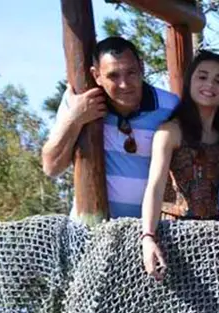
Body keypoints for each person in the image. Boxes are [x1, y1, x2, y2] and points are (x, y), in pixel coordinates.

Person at [139, 51, 219, 278]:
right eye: (202, 77)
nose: (209, 85)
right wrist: (148, 237)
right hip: (174, 239)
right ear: (189, 81)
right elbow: (155, 187)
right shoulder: (170, 131)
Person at [42, 36, 179, 219]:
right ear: (96, 76)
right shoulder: (78, 104)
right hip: (92, 229)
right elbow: (51, 167)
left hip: (152, 229)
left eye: (131, 72)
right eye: (113, 76)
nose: (124, 84)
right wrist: (75, 119)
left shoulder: (170, 106)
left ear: (142, 67)